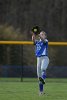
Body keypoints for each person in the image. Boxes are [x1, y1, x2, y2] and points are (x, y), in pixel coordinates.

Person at [32, 29, 49, 95]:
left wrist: (38, 34)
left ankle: (43, 79)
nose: (41, 35)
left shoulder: (46, 41)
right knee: (39, 77)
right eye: (40, 34)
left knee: (43, 68)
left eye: (42, 34)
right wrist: (33, 35)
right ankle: (41, 92)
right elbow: (33, 41)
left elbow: (43, 40)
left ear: (45, 36)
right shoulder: (37, 42)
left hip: (45, 58)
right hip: (38, 59)